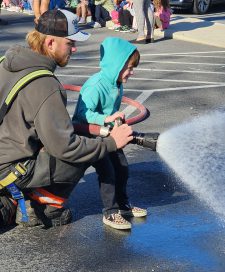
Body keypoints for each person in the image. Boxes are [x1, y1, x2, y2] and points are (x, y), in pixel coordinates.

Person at [0, 9, 133, 228]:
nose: (74, 48)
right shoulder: (46, 85)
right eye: (70, 43)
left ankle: (16, 195)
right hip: (12, 170)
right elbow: (66, 147)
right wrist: (111, 142)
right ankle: (46, 207)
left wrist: (99, 128)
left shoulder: (6, 61)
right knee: (86, 147)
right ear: (50, 43)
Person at [73, 37, 147, 230]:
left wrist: (115, 120)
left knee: (122, 167)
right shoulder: (96, 85)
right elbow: (82, 114)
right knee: (108, 172)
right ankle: (110, 213)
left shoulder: (116, 82)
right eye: (130, 67)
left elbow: (109, 112)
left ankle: (123, 206)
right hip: (91, 136)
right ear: (117, 64)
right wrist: (105, 119)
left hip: (109, 134)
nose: (132, 72)